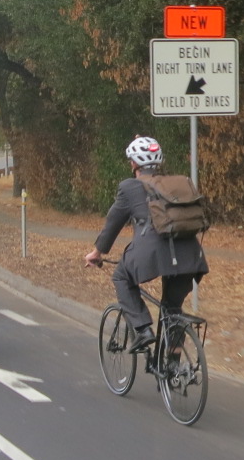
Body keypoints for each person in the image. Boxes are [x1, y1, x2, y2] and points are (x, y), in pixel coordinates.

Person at [83, 135, 209, 352]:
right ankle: (174, 372)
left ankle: (142, 330)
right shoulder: (177, 184)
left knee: (121, 276)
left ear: (133, 163)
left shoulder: (130, 187)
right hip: (191, 256)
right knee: (172, 309)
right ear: (159, 161)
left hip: (153, 253)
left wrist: (97, 252)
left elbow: (113, 224)